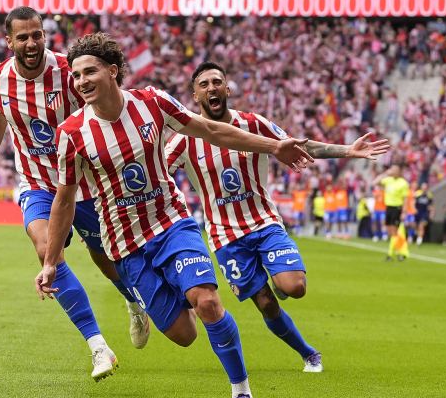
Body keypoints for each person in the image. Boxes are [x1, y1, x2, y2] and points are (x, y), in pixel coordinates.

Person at [34, 33, 314, 398]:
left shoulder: (152, 102)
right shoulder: (71, 133)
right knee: (185, 334)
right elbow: (64, 200)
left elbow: (211, 130)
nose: (81, 81)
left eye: (90, 72)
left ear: (112, 71)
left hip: (171, 223)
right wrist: (51, 261)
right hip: (126, 245)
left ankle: (241, 392)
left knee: (208, 301)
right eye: (76, 75)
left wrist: (273, 146)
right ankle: (179, 289)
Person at [164, 61, 389, 373]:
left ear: (227, 89)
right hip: (225, 236)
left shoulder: (253, 124)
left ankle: (281, 280)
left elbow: (296, 146)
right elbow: (156, 170)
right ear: (195, 96)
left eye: (216, 82)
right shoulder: (184, 138)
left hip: (264, 222)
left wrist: (347, 151)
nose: (211, 88)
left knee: (296, 287)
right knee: (267, 304)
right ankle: (309, 353)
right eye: (204, 84)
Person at [0, 8, 150, 382]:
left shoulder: (70, 71)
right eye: (23, 37)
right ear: (9, 41)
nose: (31, 43)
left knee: (107, 261)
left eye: (37, 34)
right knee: (45, 249)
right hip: (37, 182)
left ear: (44, 35)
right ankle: (98, 346)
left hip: (85, 182)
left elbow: (105, 111)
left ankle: (134, 302)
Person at [375, 164, 410, 261]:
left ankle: (391, 254)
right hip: (389, 207)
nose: (393, 171)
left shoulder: (403, 183)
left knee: (395, 231)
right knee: (391, 231)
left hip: (397, 208)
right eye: (392, 169)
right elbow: (375, 182)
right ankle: (398, 252)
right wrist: (385, 173)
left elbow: (405, 199)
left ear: (400, 171)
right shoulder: (388, 180)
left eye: (396, 169)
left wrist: (404, 212)